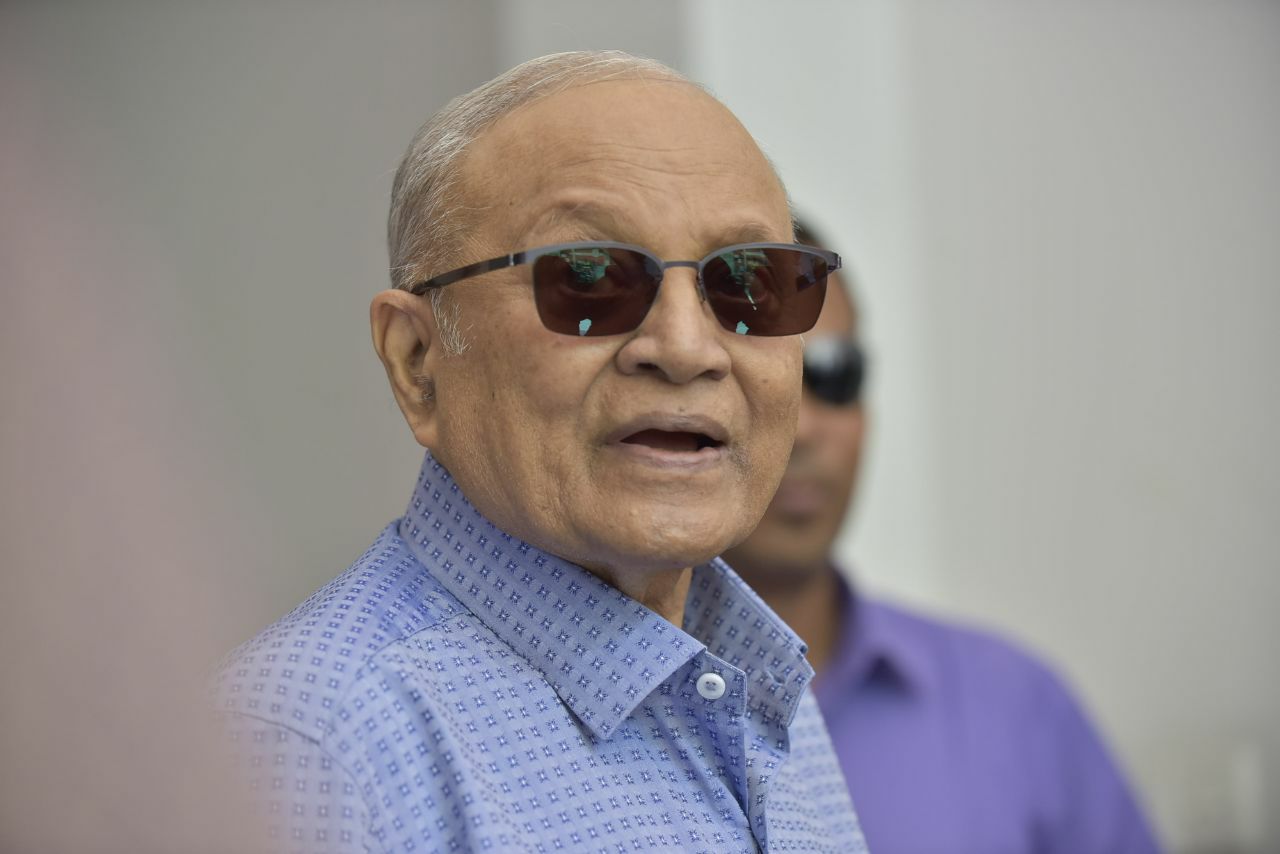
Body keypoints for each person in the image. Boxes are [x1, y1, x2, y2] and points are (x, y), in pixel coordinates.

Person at [213, 53, 868, 853]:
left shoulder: (757, 683)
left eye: (750, 282)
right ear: (417, 360)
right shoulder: (307, 748)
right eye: (588, 279)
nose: (686, 348)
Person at [724, 221, 1162, 854]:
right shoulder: (592, 731)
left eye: (835, 374)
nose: (805, 429)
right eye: (760, 377)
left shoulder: (1014, 704)